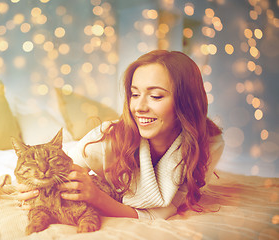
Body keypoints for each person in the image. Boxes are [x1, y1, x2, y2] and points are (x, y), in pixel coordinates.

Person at [17, 50, 224, 220]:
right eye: (134, 94)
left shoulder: (209, 142)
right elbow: (57, 177)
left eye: (156, 96)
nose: (139, 107)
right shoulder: (103, 140)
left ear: (186, 101)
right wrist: (28, 187)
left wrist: (98, 198)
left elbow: (167, 209)